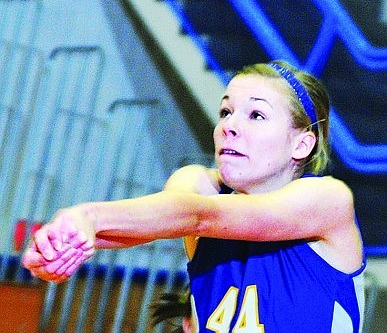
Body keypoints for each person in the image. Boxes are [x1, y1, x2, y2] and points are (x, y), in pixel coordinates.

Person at [22, 60, 366, 332]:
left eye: (257, 114)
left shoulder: (327, 201)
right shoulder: (196, 182)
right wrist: (66, 240)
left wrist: (92, 217)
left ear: (301, 143)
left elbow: (201, 215)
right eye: (226, 112)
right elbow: (164, 217)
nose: (229, 126)